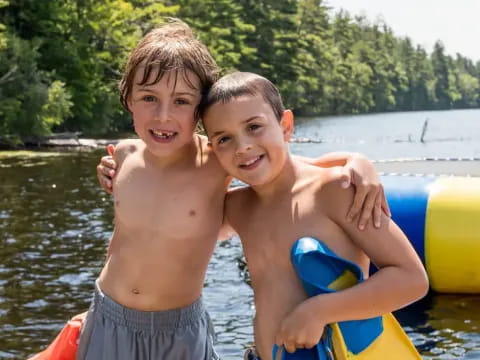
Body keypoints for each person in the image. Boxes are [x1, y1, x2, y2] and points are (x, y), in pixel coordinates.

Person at [86, 18, 388, 360]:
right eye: (148, 98)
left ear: (200, 112)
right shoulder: (124, 155)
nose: (163, 115)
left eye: (182, 101)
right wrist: (107, 172)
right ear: (128, 99)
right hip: (109, 316)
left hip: (178, 329)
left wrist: (359, 161)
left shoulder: (216, 159)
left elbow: (291, 167)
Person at [198, 72, 429, 360]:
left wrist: (319, 311)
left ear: (286, 125)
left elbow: (411, 279)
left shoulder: (335, 191)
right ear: (212, 149)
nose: (242, 146)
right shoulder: (237, 207)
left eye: (254, 127)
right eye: (224, 139)